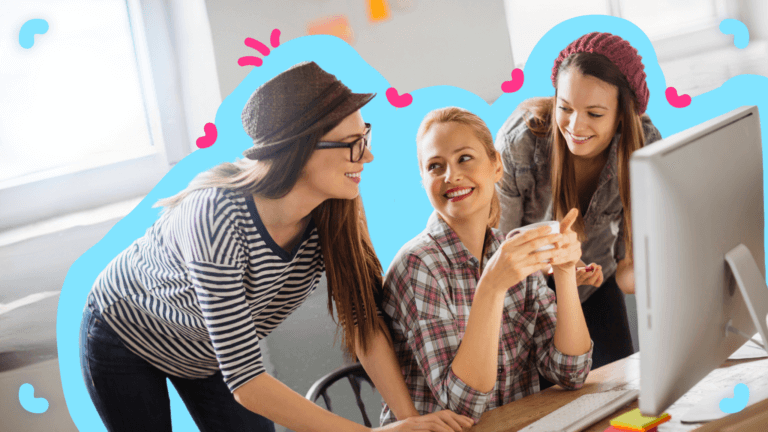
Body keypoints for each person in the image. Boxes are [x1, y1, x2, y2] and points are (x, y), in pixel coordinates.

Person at [80, 61, 474, 432]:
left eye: (364, 137)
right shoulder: (217, 216)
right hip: (126, 335)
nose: (367, 156)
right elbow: (247, 382)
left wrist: (410, 421)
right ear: (300, 149)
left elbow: (363, 323)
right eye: (352, 144)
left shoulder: (339, 204)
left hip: (210, 348)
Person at [379, 107, 593, 424]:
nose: (451, 175)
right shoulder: (417, 266)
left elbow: (571, 372)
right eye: (435, 166)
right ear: (424, 182)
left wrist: (563, 272)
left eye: (464, 158)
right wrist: (491, 287)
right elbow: (462, 407)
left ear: (496, 165)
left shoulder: (511, 251)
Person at [494, 32, 662, 371]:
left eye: (595, 114)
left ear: (621, 115)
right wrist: (557, 271)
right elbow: (497, 255)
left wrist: (668, 273)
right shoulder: (522, 141)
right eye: (565, 108)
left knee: (620, 396)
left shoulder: (643, 145)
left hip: (596, 287)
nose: (575, 125)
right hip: (527, 298)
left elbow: (628, 273)